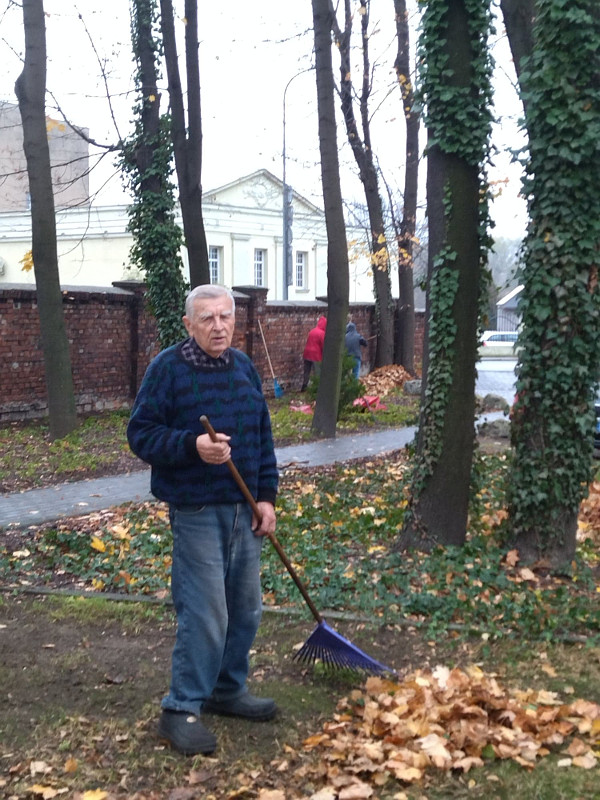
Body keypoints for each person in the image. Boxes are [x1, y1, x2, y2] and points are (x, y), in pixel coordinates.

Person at [127, 284, 279, 757]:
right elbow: (141, 434)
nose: (218, 326)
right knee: (205, 611)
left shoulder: (244, 368)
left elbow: (262, 437)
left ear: (237, 321)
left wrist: (267, 498)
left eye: (225, 317)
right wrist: (193, 447)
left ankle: (227, 689)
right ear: (189, 324)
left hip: (245, 509)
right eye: (207, 318)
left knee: (246, 608)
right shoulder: (168, 369)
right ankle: (181, 707)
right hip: (195, 510)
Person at [301, 315, 327, 390]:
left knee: (307, 371)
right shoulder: (322, 333)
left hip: (307, 354)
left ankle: (304, 385)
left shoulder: (312, 331)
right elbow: (323, 346)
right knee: (317, 372)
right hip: (316, 355)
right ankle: (317, 387)